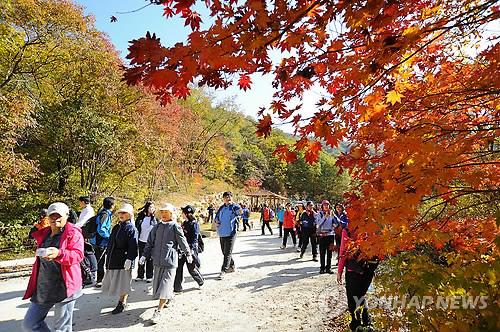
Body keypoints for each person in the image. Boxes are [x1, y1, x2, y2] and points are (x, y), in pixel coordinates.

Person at [23, 202, 84, 332]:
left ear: (66, 216)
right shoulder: (44, 233)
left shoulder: (73, 233)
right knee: (30, 324)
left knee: (62, 329)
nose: (54, 218)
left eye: (58, 216)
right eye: (52, 215)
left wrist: (59, 253)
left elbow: (78, 255)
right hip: (44, 286)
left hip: (64, 286)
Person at [140, 203, 193, 324]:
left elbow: (182, 241)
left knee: (164, 286)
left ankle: (158, 311)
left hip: (170, 262)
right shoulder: (156, 227)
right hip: (157, 262)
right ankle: (169, 297)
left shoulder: (175, 226)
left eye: (166, 213)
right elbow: (149, 243)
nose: (164, 215)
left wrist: (188, 253)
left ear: (171, 214)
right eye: (162, 212)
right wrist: (144, 255)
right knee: (159, 286)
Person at [337, 227, 377, 331]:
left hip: (354, 270)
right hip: (367, 269)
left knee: (353, 299)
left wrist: (340, 271)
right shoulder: (370, 226)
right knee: (360, 297)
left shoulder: (348, 230)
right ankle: (366, 323)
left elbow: (343, 250)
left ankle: (357, 324)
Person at [101, 203, 138, 314]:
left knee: (124, 282)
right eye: (120, 213)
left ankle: (122, 302)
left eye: (124, 213)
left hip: (124, 260)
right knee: (116, 281)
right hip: (114, 259)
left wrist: (130, 258)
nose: (121, 215)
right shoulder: (117, 227)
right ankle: (121, 300)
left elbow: (133, 245)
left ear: (130, 215)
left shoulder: (131, 228)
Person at [174, 205, 204, 293]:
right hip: (182, 249)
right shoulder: (184, 223)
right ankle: (177, 288)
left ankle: (200, 281)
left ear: (187, 214)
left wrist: (190, 251)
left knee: (191, 268)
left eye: (183, 213)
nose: (181, 214)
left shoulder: (194, 224)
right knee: (178, 268)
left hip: (190, 249)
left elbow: (195, 239)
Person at [214, 191, 241, 280]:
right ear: (223, 199)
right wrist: (216, 221)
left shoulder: (234, 207)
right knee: (224, 252)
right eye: (226, 197)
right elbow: (216, 217)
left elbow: (240, 212)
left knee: (227, 253)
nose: (228, 199)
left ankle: (223, 271)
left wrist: (239, 212)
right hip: (222, 232)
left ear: (231, 198)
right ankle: (232, 265)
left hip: (231, 233)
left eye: (229, 197)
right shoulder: (221, 208)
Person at [91, 197, 114, 286]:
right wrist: (109, 237)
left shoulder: (102, 213)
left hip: (96, 240)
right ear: (111, 205)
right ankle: (99, 280)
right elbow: (101, 229)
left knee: (99, 260)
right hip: (100, 241)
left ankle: (99, 279)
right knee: (100, 261)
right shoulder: (105, 214)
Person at [135, 201, 158, 282]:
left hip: (150, 242)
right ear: (147, 208)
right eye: (150, 207)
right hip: (141, 240)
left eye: (153, 207)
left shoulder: (155, 219)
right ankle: (140, 275)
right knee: (141, 257)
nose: (152, 209)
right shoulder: (141, 217)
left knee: (150, 259)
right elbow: (136, 228)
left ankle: (149, 276)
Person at [316, 200, 335, 274]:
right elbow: (318, 224)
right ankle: (322, 268)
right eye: (324, 205)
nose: (326, 206)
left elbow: (335, 222)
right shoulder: (319, 214)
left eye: (327, 205)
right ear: (322, 206)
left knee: (329, 252)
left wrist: (334, 218)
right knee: (322, 252)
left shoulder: (331, 213)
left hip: (330, 235)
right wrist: (325, 217)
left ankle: (328, 268)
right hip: (322, 235)